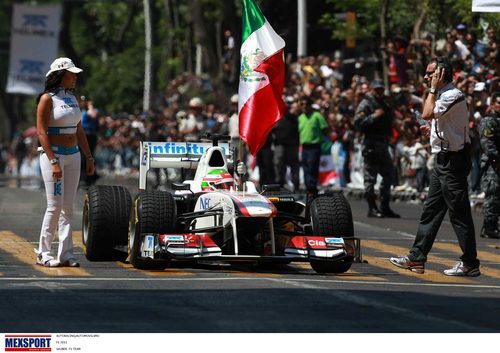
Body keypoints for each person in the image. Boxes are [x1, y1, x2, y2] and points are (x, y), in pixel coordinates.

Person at [390, 57, 480, 276]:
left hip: (454, 161)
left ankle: (470, 263)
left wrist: (430, 90)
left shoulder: (452, 94)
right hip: (443, 160)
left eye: (431, 73)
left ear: (441, 74)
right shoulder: (441, 95)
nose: (426, 77)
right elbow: (438, 122)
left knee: (458, 213)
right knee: (431, 211)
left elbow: (427, 113)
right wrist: (430, 130)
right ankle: (416, 258)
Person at [35, 57, 95, 267]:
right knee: (55, 205)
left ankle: (66, 253)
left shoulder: (72, 98)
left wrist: (88, 156)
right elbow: (42, 132)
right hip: (55, 155)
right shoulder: (47, 99)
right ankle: (44, 251)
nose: (75, 77)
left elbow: (79, 129)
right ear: (61, 75)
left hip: (73, 155)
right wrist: (53, 160)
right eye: (72, 74)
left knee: (68, 207)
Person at [354, 80, 400, 218]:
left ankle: (385, 206)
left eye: (381, 89)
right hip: (371, 144)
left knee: (388, 175)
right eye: (377, 89)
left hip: (383, 143)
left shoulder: (384, 103)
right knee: (370, 178)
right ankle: (372, 207)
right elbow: (358, 122)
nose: (380, 92)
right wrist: (374, 116)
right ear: (372, 90)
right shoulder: (366, 103)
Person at [478, 91, 500, 239]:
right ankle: (488, 227)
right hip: (494, 164)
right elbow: (487, 144)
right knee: (493, 194)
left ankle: (494, 225)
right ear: (492, 104)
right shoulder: (488, 121)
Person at [298, 96, 328, 197]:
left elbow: (325, 129)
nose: (304, 106)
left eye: (306, 104)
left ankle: (312, 188)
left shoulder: (317, 116)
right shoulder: (300, 118)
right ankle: (308, 189)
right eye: (302, 104)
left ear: (310, 105)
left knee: (312, 167)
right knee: (306, 168)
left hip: (314, 147)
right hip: (304, 147)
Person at [272, 101, 300, 191]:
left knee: (294, 165)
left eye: (287, 107)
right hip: (280, 145)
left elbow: (299, 131)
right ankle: (279, 183)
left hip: (292, 145)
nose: (286, 109)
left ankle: (296, 184)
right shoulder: (276, 118)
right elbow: (272, 132)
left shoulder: (294, 118)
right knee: (279, 164)